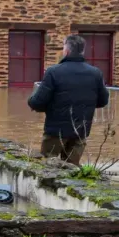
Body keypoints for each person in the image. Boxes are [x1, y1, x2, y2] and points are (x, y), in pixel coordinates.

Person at [27, 34, 109, 164]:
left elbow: (38, 101)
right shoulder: (96, 73)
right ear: (82, 51)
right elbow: (103, 101)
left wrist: (32, 102)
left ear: (66, 50)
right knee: (72, 169)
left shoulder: (53, 72)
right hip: (80, 131)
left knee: (48, 165)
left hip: (55, 132)